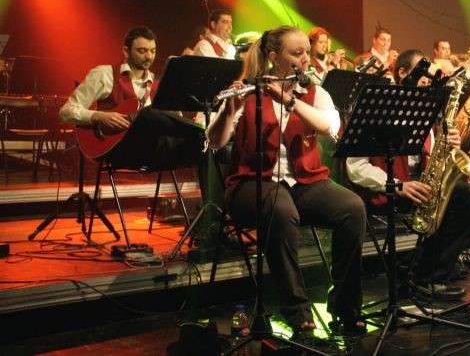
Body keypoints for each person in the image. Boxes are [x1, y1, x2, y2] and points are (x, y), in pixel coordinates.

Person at [206, 26, 367, 336]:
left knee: (353, 208)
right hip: (250, 184)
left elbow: (329, 127)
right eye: (296, 53)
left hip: (303, 184)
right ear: (273, 57)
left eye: (306, 52)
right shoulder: (248, 92)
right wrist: (228, 112)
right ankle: (296, 311)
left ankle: (345, 306)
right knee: (280, 209)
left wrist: (290, 101)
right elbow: (215, 142)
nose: (305, 59)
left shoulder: (316, 93)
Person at [346, 49, 470, 301]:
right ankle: (426, 276)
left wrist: (450, 143)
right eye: (425, 76)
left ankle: (421, 268)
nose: (430, 82)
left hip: (421, 184)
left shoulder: (426, 108)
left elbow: (432, 157)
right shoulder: (377, 107)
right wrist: (397, 185)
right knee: (467, 198)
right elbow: (355, 166)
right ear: (403, 73)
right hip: (390, 189)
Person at [59, 27, 204, 170]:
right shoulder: (105, 74)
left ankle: (204, 136)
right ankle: (200, 133)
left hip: (155, 150)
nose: (149, 57)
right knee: (148, 113)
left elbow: (174, 121)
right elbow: (65, 112)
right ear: (126, 51)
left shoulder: (160, 84)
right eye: (142, 51)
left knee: (207, 148)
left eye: (153, 51)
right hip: (118, 149)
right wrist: (99, 116)